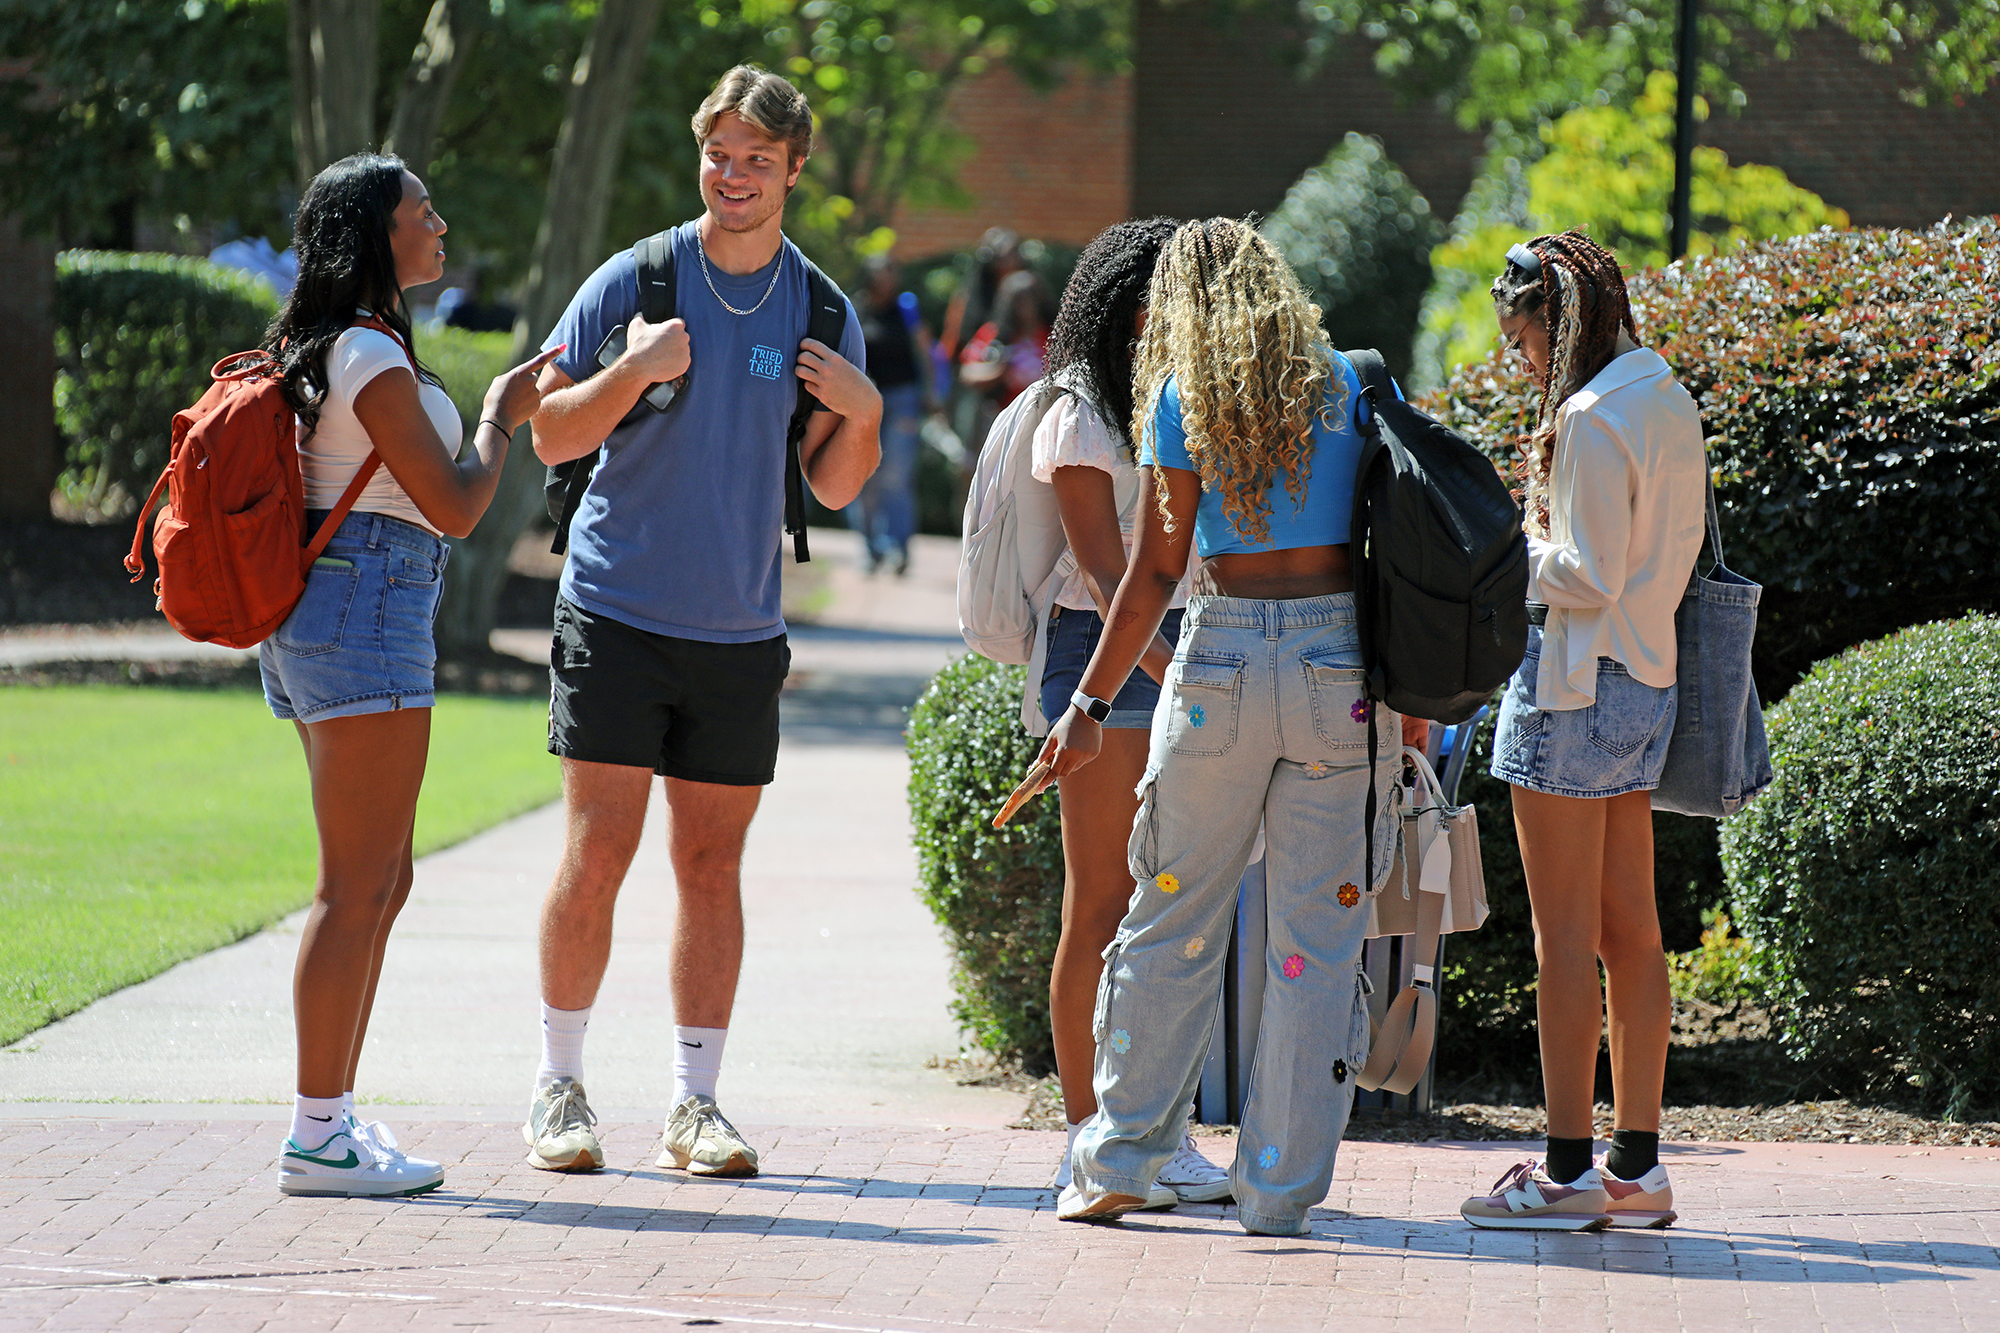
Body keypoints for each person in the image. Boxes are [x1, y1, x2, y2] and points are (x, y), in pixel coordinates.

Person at [519, 66, 879, 1180]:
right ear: (701, 155)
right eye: (719, 154)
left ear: (792, 170)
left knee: (711, 865)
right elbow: (547, 434)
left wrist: (860, 413)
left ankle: (695, 1104)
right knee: (598, 851)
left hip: (736, 629)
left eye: (756, 160)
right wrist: (629, 370)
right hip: (615, 609)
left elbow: (834, 485)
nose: (733, 175)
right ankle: (559, 1087)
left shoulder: (818, 309)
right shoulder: (636, 280)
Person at [1034, 217, 1403, 1238]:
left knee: (1168, 915)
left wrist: (1086, 704)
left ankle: (1116, 1157)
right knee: (1311, 944)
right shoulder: (1351, 382)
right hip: (1341, 667)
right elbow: (1398, 544)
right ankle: (1275, 1188)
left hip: (1219, 664)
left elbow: (1153, 574)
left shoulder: (1177, 397)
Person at [261, 152, 559, 1197]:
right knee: (354, 888)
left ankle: (330, 1118)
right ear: (379, 237)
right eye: (423, 211)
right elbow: (459, 505)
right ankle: (314, 1133)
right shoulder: (368, 360)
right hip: (363, 610)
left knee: (381, 881)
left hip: (340, 610)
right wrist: (500, 415)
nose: (441, 224)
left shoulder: (349, 348)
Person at [1458, 231, 1705, 1231]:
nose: (1517, 357)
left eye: (1519, 337)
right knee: (1628, 933)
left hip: (1572, 688)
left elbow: (1585, 572)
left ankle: (1563, 1174)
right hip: (1643, 681)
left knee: (1562, 940)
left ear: (1553, 324)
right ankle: (1635, 1170)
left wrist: (1498, 548)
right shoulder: (1664, 397)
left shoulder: (1591, 418)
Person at [1029, 218, 1230, 1208]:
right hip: (1100, 657)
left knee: (1172, 904)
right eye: (1165, 296)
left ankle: (1161, 1131)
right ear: (1124, 301)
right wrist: (1158, 661)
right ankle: (1085, 1135)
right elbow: (1109, 574)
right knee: (1100, 903)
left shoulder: (1182, 400)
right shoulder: (1076, 408)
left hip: (1185, 644)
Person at [846, 254, 931, 575]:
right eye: (882, 273)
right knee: (863, 475)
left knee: (896, 475)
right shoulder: (855, 308)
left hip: (902, 398)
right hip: (861, 401)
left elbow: (925, 351)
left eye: (892, 272)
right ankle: (870, 548)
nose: (889, 279)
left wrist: (932, 392)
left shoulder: (906, 309)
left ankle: (899, 547)